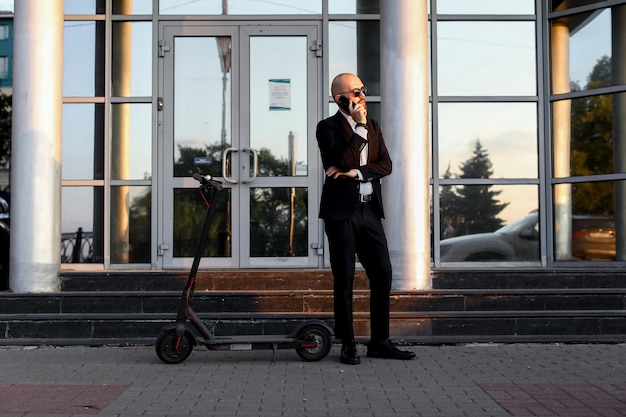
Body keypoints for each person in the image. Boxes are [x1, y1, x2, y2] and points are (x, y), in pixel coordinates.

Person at [316, 73, 415, 365]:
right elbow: (342, 159)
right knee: (344, 279)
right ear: (340, 99)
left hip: (369, 210)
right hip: (341, 214)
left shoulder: (373, 125)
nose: (362, 97)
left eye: (363, 90)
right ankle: (347, 343)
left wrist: (356, 173)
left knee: (382, 272)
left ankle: (379, 342)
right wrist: (358, 128)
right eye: (356, 92)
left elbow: (386, 164)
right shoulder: (327, 128)